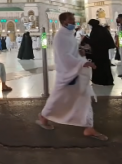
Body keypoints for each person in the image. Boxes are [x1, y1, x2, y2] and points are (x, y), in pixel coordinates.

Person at [36, 12, 107, 141]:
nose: (73, 22)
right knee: (58, 97)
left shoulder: (69, 34)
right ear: (63, 22)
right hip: (67, 73)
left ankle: (88, 127)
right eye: (71, 19)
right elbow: (64, 56)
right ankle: (44, 117)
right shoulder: (60, 36)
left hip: (74, 72)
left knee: (83, 97)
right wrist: (83, 62)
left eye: (74, 19)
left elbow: (70, 52)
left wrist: (79, 53)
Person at [88, 19, 115, 86]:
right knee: (105, 65)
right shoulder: (103, 29)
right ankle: (108, 80)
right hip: (104, 51)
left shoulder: (95, 30)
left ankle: (99, 80)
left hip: (97, 52)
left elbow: (93, 41)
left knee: (98, 66)